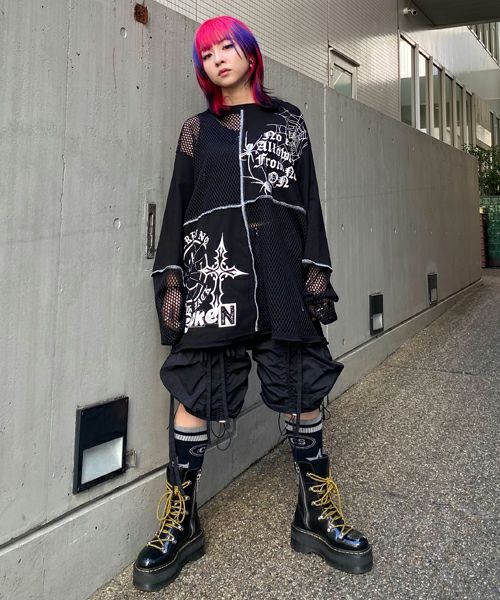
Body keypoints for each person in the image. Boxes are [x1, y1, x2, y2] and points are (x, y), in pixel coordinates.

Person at [133, 15, 373, 592]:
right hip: (216, 275)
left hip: (280, 274)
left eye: (226, 46)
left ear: (248, 53)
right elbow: (179, 206)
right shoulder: (197, 131)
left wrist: (314, 273)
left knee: (302, 382)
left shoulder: (288, 120)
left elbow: (308, 201)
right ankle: (181, 519)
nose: (217, 58)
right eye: (206, 53)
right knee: (193, 386)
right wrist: (173, 282)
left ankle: (314, 512)